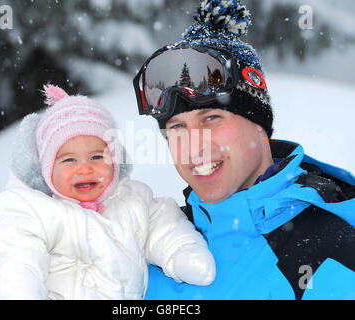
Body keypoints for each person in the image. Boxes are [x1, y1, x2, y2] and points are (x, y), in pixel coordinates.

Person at [134, 0, 355, 300]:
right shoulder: (154, 242)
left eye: (211, 119)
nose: (194, 145)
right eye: (177, 128)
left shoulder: (331, 254)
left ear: (258, 125)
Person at [0, 84, 216, 300]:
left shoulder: (133, 199)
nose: (85, 168)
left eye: (97, 157)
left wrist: (182, 252)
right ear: (47, 169)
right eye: (69, 160)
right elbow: (17, 260)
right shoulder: (34, 210)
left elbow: (164, 226)